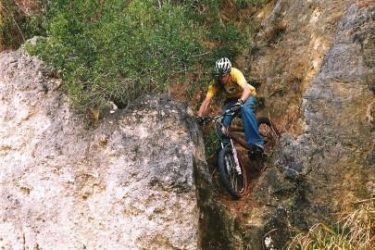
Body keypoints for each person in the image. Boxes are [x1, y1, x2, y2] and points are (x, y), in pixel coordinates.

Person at [197, 57, 264, 151]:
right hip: (231, 101)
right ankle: (227, 150)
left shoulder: (235, 73)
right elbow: (207, 100)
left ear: (228, 73)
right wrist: (200, 116)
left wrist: (240, 102)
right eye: (219, 76)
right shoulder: (216, 82)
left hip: (247, 96)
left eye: (223, 76)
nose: (221, 78)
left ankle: (257, 143)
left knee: (245, 109)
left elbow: (247, 90)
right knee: (222, 122)